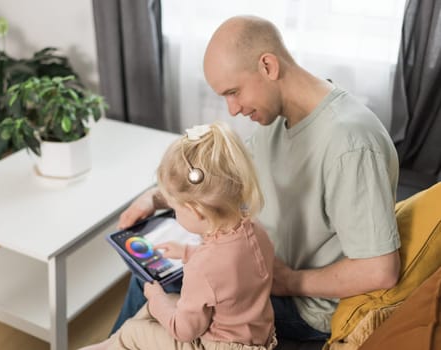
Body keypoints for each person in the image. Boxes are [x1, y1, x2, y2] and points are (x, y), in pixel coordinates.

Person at [111, 15, 401, 342]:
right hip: (254, 269)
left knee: (152, 287)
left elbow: (380, 270)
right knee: (152, 272)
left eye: (233, 92)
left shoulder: (350, 144)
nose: (232, 110)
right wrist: (156, 197)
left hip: (298, 306)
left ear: (267, 66)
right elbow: (219, 180)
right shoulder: (279, 119)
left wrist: (288, 280)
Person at [81, 121, 278, 350]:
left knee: (133, 331)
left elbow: (184, 331)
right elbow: (228, 270)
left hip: (218, 346)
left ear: (194, 210)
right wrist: (186, 251)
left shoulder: (201, 268)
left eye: (176, 209)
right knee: (155, 310)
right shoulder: (256, 231)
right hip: (256, 339)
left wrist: (155, 299)